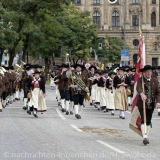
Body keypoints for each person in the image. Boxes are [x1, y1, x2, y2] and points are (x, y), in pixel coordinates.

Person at [136, 65, 160, 145]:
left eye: (150, 71)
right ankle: (144, 137)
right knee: (144, 119)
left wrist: (158, 102)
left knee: (149, 120)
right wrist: (142, 94)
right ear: (144, 73)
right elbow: (138, 88)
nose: (149, 73)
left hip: (151, 102)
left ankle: (146, 134)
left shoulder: (155, 80)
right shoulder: (140, 80)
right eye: (147, 71)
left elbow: (158, 92)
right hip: (142, 103)